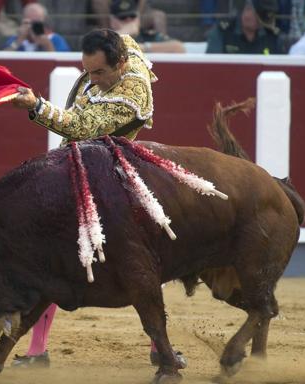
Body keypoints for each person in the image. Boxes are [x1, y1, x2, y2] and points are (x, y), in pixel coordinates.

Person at [11, 28, 186, 369]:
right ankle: (37, 351)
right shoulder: (123, 48)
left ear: (121, 64)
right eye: (87, 70)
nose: (91, 79)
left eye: (100, 73)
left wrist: (35, 105)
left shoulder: (132, 96)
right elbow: (122, 34)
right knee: (57, 259)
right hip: (84, 166)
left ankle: (158, 346)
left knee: (138, 267)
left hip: (106, 178)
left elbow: (81, 125)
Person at [206, 0, 285, 54]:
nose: (247, 15)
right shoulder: (222, 32)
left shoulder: (273, 37)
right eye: (248, 9)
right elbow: (212, 66)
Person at [108, 0, 185, 53]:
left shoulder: (148, 36)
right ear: (112, 21)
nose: (129, 20)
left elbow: (178, 47)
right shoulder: (105, 37)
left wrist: (142, 48)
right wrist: (122, 33)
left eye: (132, 16)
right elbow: (101, 47)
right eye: (123, 18)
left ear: (138, 18)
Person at [3, 3, 70, 52]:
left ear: (44, 22)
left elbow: (63, 63)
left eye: (36, 23)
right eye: (29, 23)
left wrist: (48, 45)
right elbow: (2, 60)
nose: (32, 27)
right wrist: (18, 42)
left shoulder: (55, 39)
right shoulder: (16, 39)